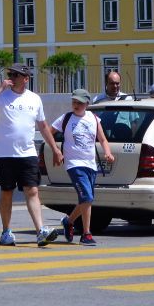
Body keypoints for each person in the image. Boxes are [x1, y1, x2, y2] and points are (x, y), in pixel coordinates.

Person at [0, 63, 64, 247]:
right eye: (11, 74)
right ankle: (6, 232)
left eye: (16, 75)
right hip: (5, 154)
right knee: (6, 192)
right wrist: (0, 88)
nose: (12, 77)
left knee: (32, 190)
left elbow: (43, 126)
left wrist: (55, 149)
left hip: (28, 153)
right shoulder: (2, 97)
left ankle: (40, 232)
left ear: (26, 78)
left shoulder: (34, 99)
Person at [53, 88, 114, 246]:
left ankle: (69, 221)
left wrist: (108, 153)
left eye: (79, 102)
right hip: (74, 164)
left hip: (90, 164)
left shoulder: (93, 119)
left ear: (87, 103)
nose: (76, 105)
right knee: (87, 197)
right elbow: (48, 132)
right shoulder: (65, 119)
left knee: (86, 199)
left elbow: (102, 139)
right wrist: (56, 150)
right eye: (74, 102)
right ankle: (86, 234)